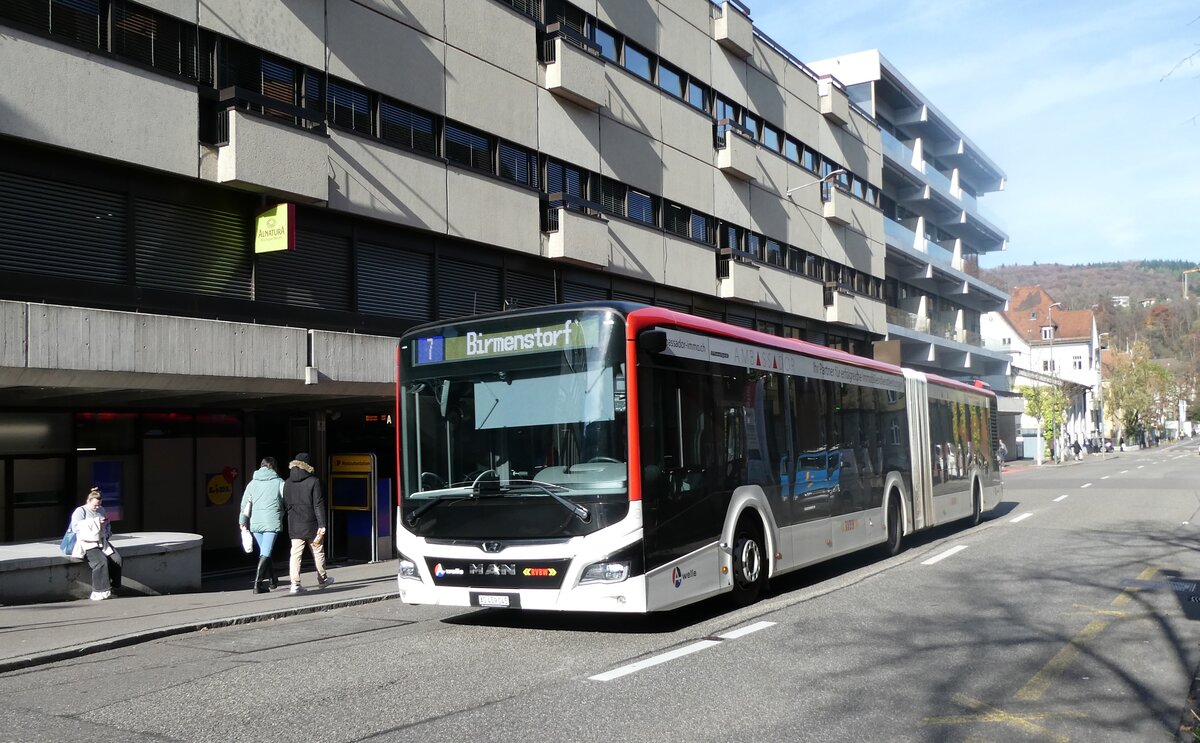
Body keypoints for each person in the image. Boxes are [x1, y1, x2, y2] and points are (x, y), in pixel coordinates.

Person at [282, 452, 333, 593]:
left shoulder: (287, 482)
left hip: (294, 523)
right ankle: (322, 579)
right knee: (317, 551)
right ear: (307, 465)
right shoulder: (313, 481)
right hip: (311, 523)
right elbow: (318, 504)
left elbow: (285, 503)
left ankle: (295, 584)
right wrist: (322, 524)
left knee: (295, 554)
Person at [239, 457, 285, 594]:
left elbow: (244, 505)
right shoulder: (279, 482)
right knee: (266, 552)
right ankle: (257, 585)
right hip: (271, 522)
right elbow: (287, 499)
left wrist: (242, 522)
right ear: (274, 467)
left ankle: (272, 579)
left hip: (256, 523)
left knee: (265, 552)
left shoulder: (252, 483)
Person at [70, 486, 122, 601]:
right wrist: (95, 522)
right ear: (88, 501)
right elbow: (76, 528)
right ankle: (98, 590)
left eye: (99, 505)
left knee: (116, 559)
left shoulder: (102, 510)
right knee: (100, 561)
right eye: (95, 505)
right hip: (87, 542)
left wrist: (107, 532)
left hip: (102, 541)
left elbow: (108, 525)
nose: (97, 507)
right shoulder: (80, 511)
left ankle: (113, 587)